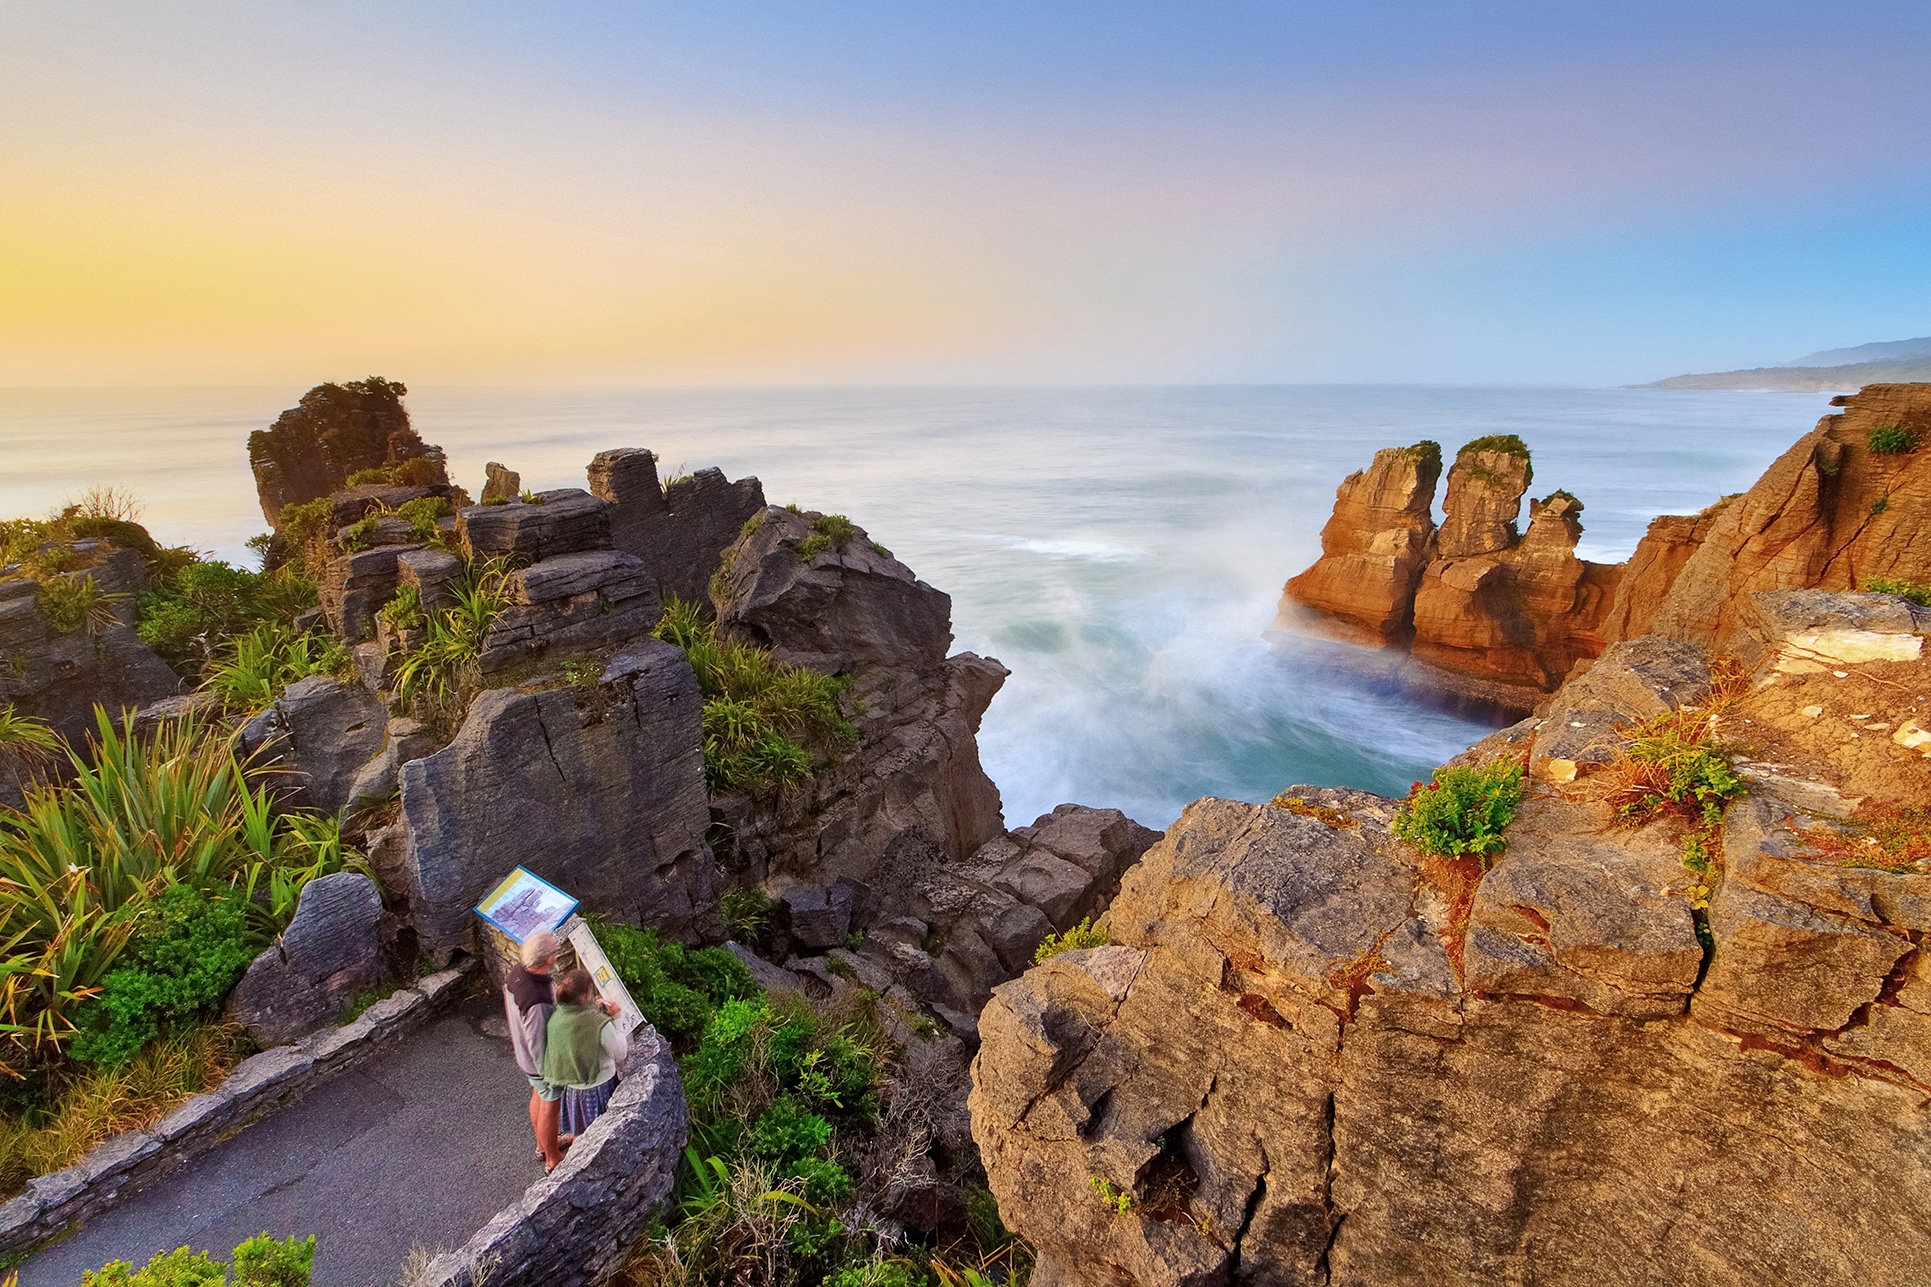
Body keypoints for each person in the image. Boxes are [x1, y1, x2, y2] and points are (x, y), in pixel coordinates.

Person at [541, 967, 627, 1142]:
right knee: (600, 1138)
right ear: (584, 997)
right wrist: (617, 1018)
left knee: (580, 1135)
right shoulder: (597, 1023)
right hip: (599, 1088)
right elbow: (620, 1053)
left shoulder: (557, 1017)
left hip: (574, 1091)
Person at [504, 930, 565, 1171]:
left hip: (525, 1057)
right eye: (555, 950)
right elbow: (539, 1040)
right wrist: (549, 1074)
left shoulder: (517, 974)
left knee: (538, 1095)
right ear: (548, 959)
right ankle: (553, 1158)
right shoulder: (537, 1000)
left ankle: (543, 1144)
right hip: (541, 1063)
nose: (557, 953)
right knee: (551, 1102)